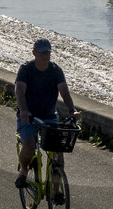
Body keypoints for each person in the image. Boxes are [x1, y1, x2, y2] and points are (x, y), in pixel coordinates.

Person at [15, 38, 76, 189]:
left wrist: (72, 110)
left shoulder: (55, 70)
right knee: (30, 144)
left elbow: (64, 91)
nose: (45, 55)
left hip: (49, 117)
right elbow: (20, 90)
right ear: (34, 53)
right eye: (42, 52)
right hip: (29, 116)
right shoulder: (26, 69)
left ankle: (56, 190)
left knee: (58, 154)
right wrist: (23, 110)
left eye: (48, 52)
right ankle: (23, 171)